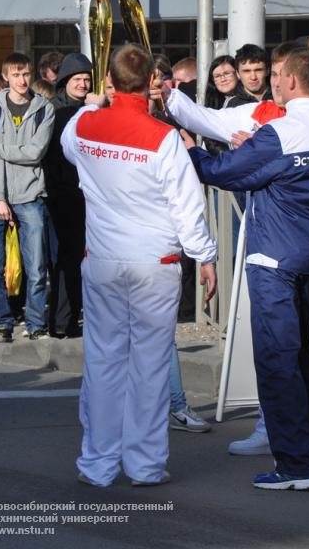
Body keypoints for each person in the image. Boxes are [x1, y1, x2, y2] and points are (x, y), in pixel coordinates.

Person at [153, 41, 309, 462]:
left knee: (300, 345)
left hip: (291, 252)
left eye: (280, 73)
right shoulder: (268, 116)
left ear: (293, 79)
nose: (273, 80)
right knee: (280, 345)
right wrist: (168, 95)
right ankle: (277, 428)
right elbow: (209, 118)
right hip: (283, 246)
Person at [61, 43, 217, 487]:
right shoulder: (165, 138)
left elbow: (68, 144)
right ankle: (145, 465)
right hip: (155, 263)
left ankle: (97, 463)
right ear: (152, 82)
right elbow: (188, 207)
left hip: (105, 262)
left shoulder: (86, 125)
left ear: (109, 81)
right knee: (149, 365)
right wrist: (204, 256)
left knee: (104, 362)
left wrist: (94, 104)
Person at [0, 52, 55, 343]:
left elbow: (35, 153)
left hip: (30, 194)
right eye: (15, 74)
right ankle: (1, 324)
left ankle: (35, 324)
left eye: (25, 74)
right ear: (6, 77)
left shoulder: (43, 108)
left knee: (36, 266)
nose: (21, 80)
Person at [43, 52, 94, 338]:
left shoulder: (91, 107)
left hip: (86, 193)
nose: (83, 84)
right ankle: (62, 320)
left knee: (77, 258)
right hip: (64, 193)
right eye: (78, 79)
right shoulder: (55, 111)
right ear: (65, 81)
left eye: (86, 79)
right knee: (67, 258)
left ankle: (68, 318)